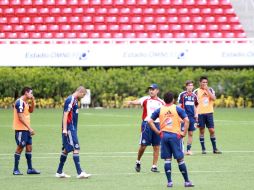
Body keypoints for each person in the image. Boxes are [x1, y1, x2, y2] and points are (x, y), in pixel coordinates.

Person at [148, 92, 194, 188]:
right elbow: (187, 120)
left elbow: (149, 121)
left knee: (167, 160)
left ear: (164, 100)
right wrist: (184, 133)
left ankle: (169, 182)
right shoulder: (177, 108)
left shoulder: (160, 109)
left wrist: (158, 132)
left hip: (164, 136)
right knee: (180, 159)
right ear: (173, 100)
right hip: (175, 136)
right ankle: (186, 181)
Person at [127, 84, 164, 173]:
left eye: (153, 89)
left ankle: (154, 166)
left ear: (157, 91)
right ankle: (138, 161)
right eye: (150, 89)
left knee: (157, 146)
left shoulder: (161, 102)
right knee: (143, 146)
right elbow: (138, 101)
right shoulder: (145, 99)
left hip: (157, 125)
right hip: (146, 125)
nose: (151, 91)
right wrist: (131, 102)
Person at [56, 86, 91, 178]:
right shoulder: (70, 99)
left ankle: (59, 171)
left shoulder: (75, 100)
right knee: (76, 148)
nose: (83, 97)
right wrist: (65, 129)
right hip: (69, 128)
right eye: (83, 95)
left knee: (66, 149)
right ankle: (80, 172)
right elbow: (65, 114)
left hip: (72, 128)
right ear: (80, 92)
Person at [13, 87, 40, 175]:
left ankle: (30, 169)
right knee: (20, 147)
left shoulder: (25, 102)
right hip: (21, 129)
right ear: (26, 92)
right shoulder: (19, 102)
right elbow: (20, 117)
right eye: (31, 93)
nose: (32, 94)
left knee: (29, 148)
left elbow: (31, 111)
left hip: (26, 130)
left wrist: (33, 101)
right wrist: (30, 128)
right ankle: (15, 170)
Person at [194, 76, 222, 154]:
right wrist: (195, 114)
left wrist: (207, 90)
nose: (205, 84)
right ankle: (203, 149)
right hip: (200, 114)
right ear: (200, 83)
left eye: (206, 82)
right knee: (202, 131)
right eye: (203, 82)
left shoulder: (211, 90)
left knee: (212, 130)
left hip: (209, 113)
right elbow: (194, 104)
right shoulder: (196, 91)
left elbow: (214, 98)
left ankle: (214, 148)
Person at [177, 80, 198, 155]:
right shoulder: (182, 95)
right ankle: (180, 150)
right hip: (184, 117)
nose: (190, 87)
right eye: (189, 85)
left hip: (192, 118)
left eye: (191, 85)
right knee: (182, 134)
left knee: (191, 133)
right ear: (186, 86)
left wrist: (196, 115)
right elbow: (179, 106)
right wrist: (179, 117)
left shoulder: (194, 96)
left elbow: (195, 106)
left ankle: (188, 150)